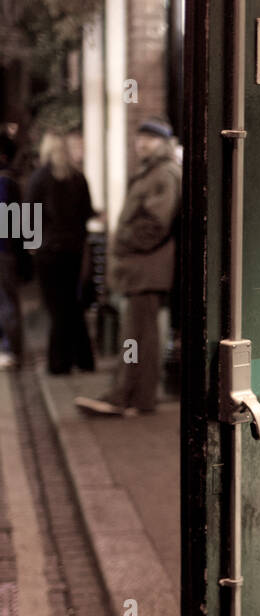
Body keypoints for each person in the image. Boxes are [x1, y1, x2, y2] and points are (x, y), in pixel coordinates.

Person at [75, 119, 180, 417]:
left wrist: (123, 242)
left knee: (139, 337)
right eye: (139, 138)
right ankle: (136, 397)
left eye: (149, 138)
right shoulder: (153, 172)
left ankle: (125, 397)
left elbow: (157, 224)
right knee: (141, 337)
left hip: (146, 269)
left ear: (163, 142)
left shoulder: (163, 174)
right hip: (142, 270)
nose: (141, 143)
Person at [27, 129, 96, 375]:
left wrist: (30, 247)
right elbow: (87, 213)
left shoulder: (39, 178)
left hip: (49, 252)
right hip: (73, 250)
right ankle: (84, 358)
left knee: (57, 307)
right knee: (72, 304)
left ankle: (59, 362)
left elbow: (28, 218)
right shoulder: (78, 178)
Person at [0, 132, 25, 370]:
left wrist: (28, 249)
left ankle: (10, 348)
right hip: (6, 250)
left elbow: (23, 220)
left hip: (4, 250)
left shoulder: (8, 183)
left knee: (7, 301)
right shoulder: (12, 182)